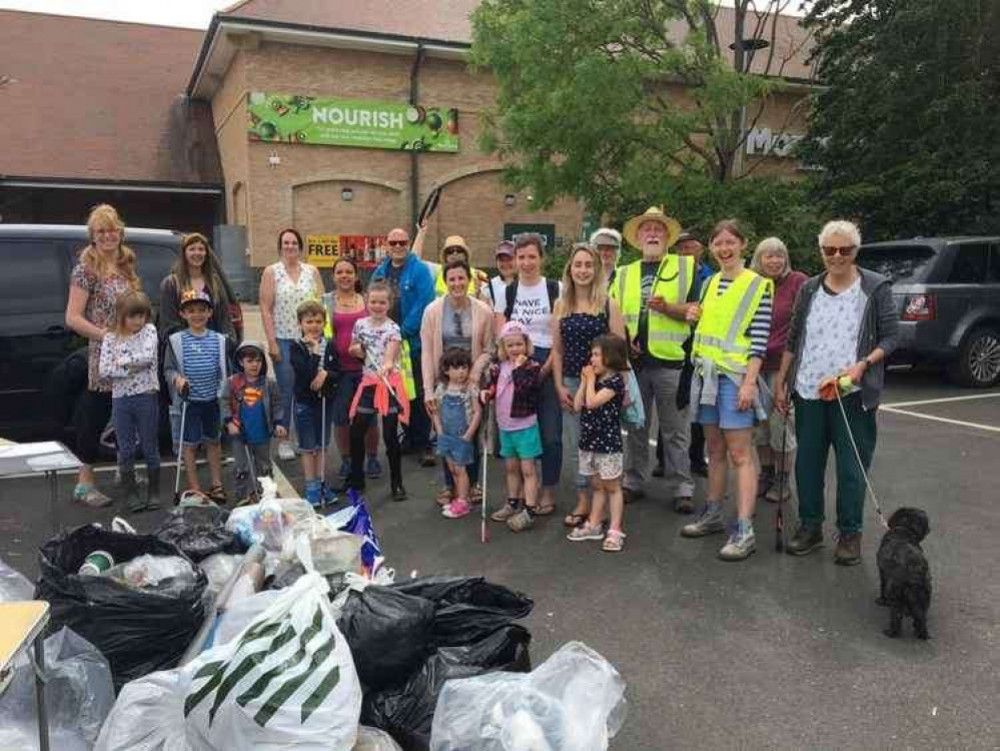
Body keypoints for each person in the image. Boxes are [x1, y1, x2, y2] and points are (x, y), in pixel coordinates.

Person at [775, 220, 898, 566]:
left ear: (856, 251)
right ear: (822, 252)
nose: (837, 256)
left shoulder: (874, 287)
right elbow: (794, 335)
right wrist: (783, 379)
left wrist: (864, 364)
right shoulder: (810, 289)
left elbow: (891, 337)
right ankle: (810, 527)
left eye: (845, 250)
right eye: (830, 250)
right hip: (809, 389)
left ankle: (850, 533)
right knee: (808, 463)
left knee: (850, 467)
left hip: (852, 393)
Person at [681, 219, 773, 562]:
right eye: (718, 243)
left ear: (743, 244)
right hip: (706, 377)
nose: (724, 248)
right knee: (714, 449)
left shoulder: (757, 285)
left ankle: (745, 528)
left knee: (740, 454)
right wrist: (694, 315)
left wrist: (750, 382)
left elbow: (759, 340)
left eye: (730, 242)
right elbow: (708, 323)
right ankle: (713, 514)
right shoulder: (708, 283)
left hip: (735, 379)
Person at [610, 206, 698, 511]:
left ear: (667, 237)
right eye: (646, 229)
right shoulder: (623, 273)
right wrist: (624, 342)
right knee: (636, 426)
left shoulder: (686, 267)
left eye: (658, 229)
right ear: (637, 237)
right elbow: (614, 315)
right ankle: (633, 481)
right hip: (634, 364)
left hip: (671, 362)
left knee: (675, 430)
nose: (652, 233)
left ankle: (682, 487)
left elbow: (696, 312)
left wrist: (667, 308)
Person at [65, 203, 142, 508]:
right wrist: (108, 336)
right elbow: (73, 317)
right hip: (105, 355)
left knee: (128, 415)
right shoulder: (86, 270)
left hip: (132, 353)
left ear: (120, 232)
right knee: (95, 417)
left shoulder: (126, 266)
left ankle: (127, 474)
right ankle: (84, 483)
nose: (108, 236)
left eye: (112, 229)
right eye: (101, 231)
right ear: (93, 236)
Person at [552, 243, 626, 528]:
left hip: (604, 387)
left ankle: (607, 499)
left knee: (604, 446)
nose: (582, 270)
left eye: (588, 265)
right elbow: (557, 351)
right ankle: (584, 499)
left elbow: (619, 352)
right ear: (569, 270)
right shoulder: (561, 306)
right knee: (577, 446)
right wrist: (559, 385)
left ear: (597, 269)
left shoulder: (608, 304)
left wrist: (624, 390)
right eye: (577, 265)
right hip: (573, 383)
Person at [496, 233, 562, 515]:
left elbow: (560, 337)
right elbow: (501, 336)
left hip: (547, 361)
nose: (526, 262)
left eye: (531, 256)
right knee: (517, 431)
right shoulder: (506, 292)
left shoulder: (555, 288)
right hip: (515, 364)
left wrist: (544, 369)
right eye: (521, 257)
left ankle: (547, 490)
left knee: (550, 434)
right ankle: (519, 495)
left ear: (541, 259)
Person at [421, 260, 495, 506]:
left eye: (461, 278)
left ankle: (472, 484)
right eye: (451, 279)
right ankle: (448, 484)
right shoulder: (432, 311)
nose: (457, 283)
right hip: (445, 384)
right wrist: (428, 389)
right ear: (445, 281)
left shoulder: (483, 310)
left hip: (472, 382)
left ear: (468, 279)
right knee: (446, 432)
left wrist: (474, 373)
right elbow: (427, 352)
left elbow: (489, 348)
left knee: (470, 433)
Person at [372, 225, 437, 467]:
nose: (398, 247)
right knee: (398, 393)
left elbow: (424, 303)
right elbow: (375, 302)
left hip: (412, 343)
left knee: (418, 393)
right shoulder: (380, 271)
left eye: (402, 242)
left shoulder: (419, 270)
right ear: (387, 246)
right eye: (393, 243)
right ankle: (409, 437)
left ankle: (424, 443)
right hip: (388, 346)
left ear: (408, 244)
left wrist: (400, 332)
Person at [750, 237, 808, 502]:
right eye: (768, 256)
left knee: (781, 425)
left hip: (783, 367)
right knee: (760, 425)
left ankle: (783, 479)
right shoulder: (751, 284)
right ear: (758, 259)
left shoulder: (798, 282)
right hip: (754, 365)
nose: (775, 261)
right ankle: (766, 473)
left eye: (779, 255)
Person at [259, 228, 325, 461]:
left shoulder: (312, 271)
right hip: (285, 340)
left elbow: (321, 304)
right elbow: (266, 308)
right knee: (287, 389)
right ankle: (284, 439)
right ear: (280, 246)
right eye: (285, 243)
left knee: (306, 390)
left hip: (309, 340)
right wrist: (272, 341)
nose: (290, 247)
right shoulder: (271, 272)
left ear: (300, 246)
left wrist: (321, 339)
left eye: (294, 243)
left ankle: (303, 438)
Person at [655, 230, 713, 478]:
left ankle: (697, 458)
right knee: (673, 406)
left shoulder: (711, 275)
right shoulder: (669, 271)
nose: (686, 251)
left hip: (702, 345)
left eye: (691, 247)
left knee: (696, 403)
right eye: (682, 248)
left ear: (701, 249)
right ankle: (662, 459)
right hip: (676, 346)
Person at [164, 289, 229, 502]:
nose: (197, 315)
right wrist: (177, 379)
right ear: (183, 314)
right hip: (189, 402)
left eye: (202, 310)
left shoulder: (219, 340)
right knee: (190, 446)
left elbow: (225, 369)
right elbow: (168, 369)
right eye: (191, 311)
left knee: (213, 442)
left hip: (212, 400)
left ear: (210, 313)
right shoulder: (175, 341)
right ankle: (194, 487)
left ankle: (217, 484)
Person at [98, 291, 160, 512]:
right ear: (121, 316)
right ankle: (130, 493)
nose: (138, 321)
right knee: (125, 448)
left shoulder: (150, 332)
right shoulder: (109, 338)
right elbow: (104, 370)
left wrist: (120, 364)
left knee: (149, 445)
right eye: (132, 316)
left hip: (146, 394)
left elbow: (146, 357)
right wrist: (129, 367)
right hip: (121, 399)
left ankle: (153, 492)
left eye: (141, 316)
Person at [567, 334, 630, 552]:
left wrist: (591, 381)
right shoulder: (594, 381)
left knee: (612, 486)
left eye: (596, 355)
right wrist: (584, 382)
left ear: (610, 357)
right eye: (591, 354)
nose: (591, 359)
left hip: (608, 443)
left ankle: (614, 529)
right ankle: (594, 523)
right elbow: (577, 405)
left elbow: (593, 403)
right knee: (597, 484)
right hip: (590, 441)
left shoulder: (614, 382)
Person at [346, 281, 407, 500]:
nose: (377, 306)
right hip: (369, 383)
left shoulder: (393, 328)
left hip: (388, 384)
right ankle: (356, 478)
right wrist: (357, 350)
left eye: (382, 302)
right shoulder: (360, 324)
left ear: (389, 304)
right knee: (356, 431)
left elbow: (391, 353)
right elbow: (352, 347)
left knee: (390, 436)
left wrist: (387, 364)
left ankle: (397, 483)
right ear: (367, 301)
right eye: (373, 301)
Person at [481, 321, 543, 532]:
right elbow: (494, 388)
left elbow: (526, 389)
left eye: (519, 344)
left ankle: (530, 508)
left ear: (526, 344)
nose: (515, 349)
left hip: (525, 425)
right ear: (503, 348)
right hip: (505, 425)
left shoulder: (532, 367)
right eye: (510, 345)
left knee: (528, 469)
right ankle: (512, 502)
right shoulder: (499, 368)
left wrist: (518, 369)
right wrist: (487, 393)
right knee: (510, 468)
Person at [323, 258, 380, 479]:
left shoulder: (367, 301)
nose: (344, 276)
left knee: (369, 417)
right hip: (339, 371)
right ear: (333, 276)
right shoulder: (325, 301)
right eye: (340, 272)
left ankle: (372, 458)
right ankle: (346, 460)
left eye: (349, 272)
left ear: (356, 276)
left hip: (366, 369)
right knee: (341, 418)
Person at [289, 300, 340, 507]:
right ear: (300, 323)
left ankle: (321, 482)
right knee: (308, 447)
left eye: (318, 321)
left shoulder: (331, 344)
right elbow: (305, 373)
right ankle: (311, 487)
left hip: (325, 402)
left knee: (322, 446)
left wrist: (326, 373)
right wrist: (316, 352)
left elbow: (338, 372)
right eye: (309, 321)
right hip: (305, 403)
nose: (314, 325)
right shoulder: (297, 347)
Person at [223, 341, 287, 505]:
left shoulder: (268, 383)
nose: (254, 365)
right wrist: (229, 421)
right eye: (249, 361)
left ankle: (266, 498)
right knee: (242, 468)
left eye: (258, 360)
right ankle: (243, 499)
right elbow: (224, 402)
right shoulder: (232, 383)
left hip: (262, 433)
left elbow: (277, 404)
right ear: (240, 362)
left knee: (264, 467)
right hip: (240, 433)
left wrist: (279, 422)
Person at [159, 232, 237, 345]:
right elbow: (169, 323)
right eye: (192, 249)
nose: (197, 253)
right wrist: (191, 342)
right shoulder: (171, 284)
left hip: (213, 347)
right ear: (184, 253)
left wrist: (227, 342)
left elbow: (225, 319)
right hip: (185, 348)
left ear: (206, 253)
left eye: (201, 249)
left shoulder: (215, 282)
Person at [433, 347, 483, 519]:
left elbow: (477, 412)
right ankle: (460, 497)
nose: (461, 372)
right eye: (456, 368)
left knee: (461, 469)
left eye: (464, 367)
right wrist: (439, 430)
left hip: (462, 435)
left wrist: (469, 434)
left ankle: (463, 500)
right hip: (446, 435)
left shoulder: (470, 389)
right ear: (446, 370)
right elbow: (436, 412)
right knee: (453, 468)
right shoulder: (442, 388)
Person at [487, 240, 518, 324]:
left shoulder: (526, 284)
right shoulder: (488, 289)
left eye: (509, 259)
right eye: (501, 260)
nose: (505, 264)